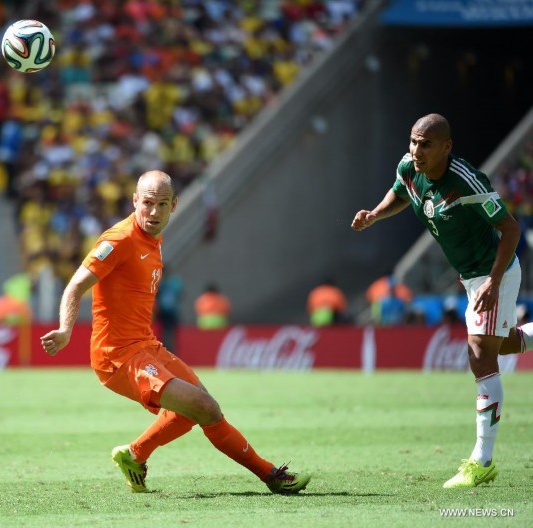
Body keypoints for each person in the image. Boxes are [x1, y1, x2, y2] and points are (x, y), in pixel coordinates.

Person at [41, 170, 310, 494]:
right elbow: (74, 287)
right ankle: (272, 476)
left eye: (162, 204)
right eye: (148, 204)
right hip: (119, 356)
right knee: (206, 409)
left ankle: (134, 454)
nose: (154, 212)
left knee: (195, 407)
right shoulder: (118, 240)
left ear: (174, 205)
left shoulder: (154, 239)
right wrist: (65, 329)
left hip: (146, 346)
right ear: (135, 201)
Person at [351, 113, 533, 489]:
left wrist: (494, 282)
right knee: (498, 343)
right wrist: (374, 216)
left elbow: (511, 228)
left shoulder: (466, 181)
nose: (416, 150)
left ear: (446, 147)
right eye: (413, 141)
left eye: (426, 144)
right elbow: (401, 192)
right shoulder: (409, 166)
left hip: (493, 271)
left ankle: (482, 460)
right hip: (469, 276)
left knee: (480, 353)